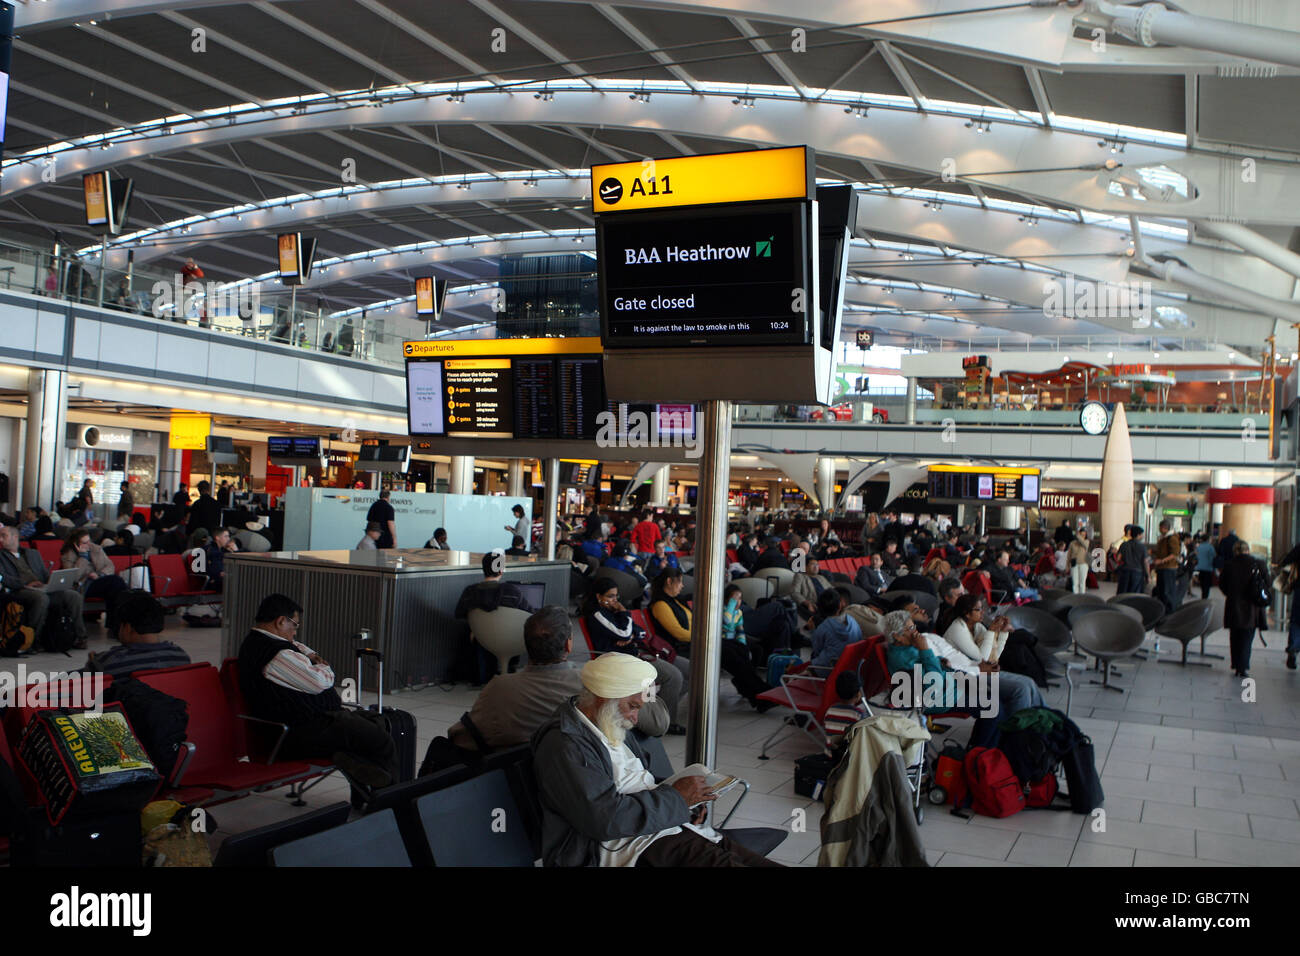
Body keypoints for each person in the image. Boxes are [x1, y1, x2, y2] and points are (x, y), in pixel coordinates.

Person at [530, 652, 781, 867]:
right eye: (633, 706)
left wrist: (686, 803)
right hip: (621, 848)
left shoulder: (605, 721)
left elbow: (635, 784)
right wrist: (676, 799)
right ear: (604, 698)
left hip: (657, 830)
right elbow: (605, 819)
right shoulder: (564, 744)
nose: (636, 720)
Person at [237, 594, 397, 804]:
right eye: (294, 625)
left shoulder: (272, 643)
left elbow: (303, 649)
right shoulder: (276, 654)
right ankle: (392, 803)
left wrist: (310, 658)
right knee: (380, 739)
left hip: (313, 722)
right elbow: (321, 681)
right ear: (280, 621)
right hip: (296, 732)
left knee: (380, 721)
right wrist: (323, 666)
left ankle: (364, 789)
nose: (295, 632)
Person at [447, 606, 667, 755]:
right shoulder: (594, 685)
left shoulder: (498, 689)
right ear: (569, 645)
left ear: (526, 645)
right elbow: (659, 723)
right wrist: (644, 686)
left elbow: (459, 738)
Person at [649, 567, 772, 712]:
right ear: (669, 582)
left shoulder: (676, 601)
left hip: (696, 642)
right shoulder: (661, 605)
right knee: (729, 653)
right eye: (680, 582)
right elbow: (679, 633)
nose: (682, 585)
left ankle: (753, 690)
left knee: (739, 647)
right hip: (683, 648)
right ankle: (759, 694)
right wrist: (705, 636)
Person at [584, 577, 686, 735]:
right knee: (672, 677)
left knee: (682, 672)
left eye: (616, 596)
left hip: (635, 656)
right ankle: (658, 719)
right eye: (610, 596)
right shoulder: (597, 615)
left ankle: (655, 713)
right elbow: (624, 633)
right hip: (620, 661)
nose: (614, 601)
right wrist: (625, 617)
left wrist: (630, 635)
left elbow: (640, 632)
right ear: (599, 597)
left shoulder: (614, 612)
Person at [0, 525, 88, 650]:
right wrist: (24, 584)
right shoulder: (1, 557)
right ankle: (32, 639)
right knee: (41, 598)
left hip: (40, 587)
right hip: (20, 590)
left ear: (15, 537)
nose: (1, 539)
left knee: (73, 596)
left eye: (4, 536)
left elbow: (44, 574)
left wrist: (52, 582)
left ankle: (81, 637)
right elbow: (3, 577)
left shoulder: (32, 554)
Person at [83, 592, 190, 678]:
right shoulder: (180, 657)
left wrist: (93, 663)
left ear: (128, 628)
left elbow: (85, 691)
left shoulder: (108, 661)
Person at [61, 528, 129, 633]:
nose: (88, 544)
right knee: (116, 583)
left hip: (98, 579)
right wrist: (82, 558)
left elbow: (110, 565)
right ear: (75, 544)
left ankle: (117, 624)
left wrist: (99, 574)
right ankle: (116, 626)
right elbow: (73, 577)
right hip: (83, 584)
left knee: (116, 585)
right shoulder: (68, 555)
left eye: (89, 541)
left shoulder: (96, 549)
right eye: (84, 542)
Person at [1219, 539, 1265, 678]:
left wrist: (1232, 594)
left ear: (1235, 551)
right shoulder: (1258, 564)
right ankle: (1243, 666)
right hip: (1252, 607)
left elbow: (1222, 584)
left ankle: (1236, 664)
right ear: (1248, 550)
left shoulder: (1229, 565)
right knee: (1247, 636)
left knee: (1235, 636)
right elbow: (1267, 582)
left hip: (1234, 605)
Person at [942, 593, 1010, 663]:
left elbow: (993, 656)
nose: (982, 612)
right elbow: (983, 659)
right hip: (950, 671)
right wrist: (991, 631)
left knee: (995, 672)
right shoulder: (957, 629)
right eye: (978, 609)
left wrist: (1003, 633)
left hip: (968, 668)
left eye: (982, 608)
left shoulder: (978, 626)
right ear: (967, 614)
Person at [810, 587, 863, 669]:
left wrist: (813, 630)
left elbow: (816, 650)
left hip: (828, 669)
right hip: (850, 665)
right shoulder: (852, 620)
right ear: (840, 605)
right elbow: (860, 638)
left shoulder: (823, 627)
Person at [823, 671, 867, 752]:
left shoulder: (830, 710)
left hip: (829, 755)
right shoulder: (858, 714)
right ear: (858, 695)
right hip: (846, 759)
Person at [1150, 519, 1182, 614]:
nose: (1159, 529)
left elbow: (1175, 554)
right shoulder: (1164, 538)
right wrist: (1153, 552)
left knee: (1167, 591)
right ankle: (1163, 611)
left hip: (1168, 568)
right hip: (1162, 568)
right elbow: (1163, 551)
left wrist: (1161, 561)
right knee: (1161, 591)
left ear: (1163, 528)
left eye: (1160, 528)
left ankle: (1170, 611)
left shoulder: (1172, 538)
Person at [790, 556, 833, 620]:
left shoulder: (821, 577)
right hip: (814, 604)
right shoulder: (800, 576)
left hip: (829, 604)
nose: (816, 567)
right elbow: (794, 592)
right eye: (813, 564)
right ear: (805, 567)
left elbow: (832, 589)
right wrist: (807, 603)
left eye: (817, 565)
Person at [203, 526, 238, 591]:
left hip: (220, 580)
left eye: (228, 536)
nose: (228, 539)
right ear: (217, 538)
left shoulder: (222, 550)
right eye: (226, 536)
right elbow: (218, 572)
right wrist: (235, 552)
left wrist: (236, 551)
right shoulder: (211, 551)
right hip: (212, 583)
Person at [1117, 526, 1148, 596]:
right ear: (1138, 535)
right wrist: (1148, 575)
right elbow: (1145, 562)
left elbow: (1118, 558)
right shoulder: (1142, 546)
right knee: (1134, 594)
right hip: (1137, 572)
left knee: (1123, 592)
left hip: (1125, 571)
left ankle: (1121, 606)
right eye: (1142, 534)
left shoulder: (1124, 544)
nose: (1142, 536)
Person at [1195, 533, 1217, 602]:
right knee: (1207, 584)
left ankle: (1203, 595)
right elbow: (1213, 557)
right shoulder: (1210, 547)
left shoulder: (1198, 547)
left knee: (1202, 583)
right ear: (1208, 539)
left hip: (1200, 567)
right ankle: (1205, 597)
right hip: (1208, 568)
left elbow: (1196, 557)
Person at [1069, 529, 1090, 594]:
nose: (1082, 536)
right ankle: (1075, 597)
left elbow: (1084, 544)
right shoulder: (1072, 543)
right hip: (1074, 563)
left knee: (1082, 582)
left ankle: (1082, 597)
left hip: (1083, 564)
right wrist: (1067, 565)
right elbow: (1069, 554)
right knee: (1075, 583)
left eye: (1084, 535)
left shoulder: (1086, 541)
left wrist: (1078, 536)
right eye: (1081, 534)